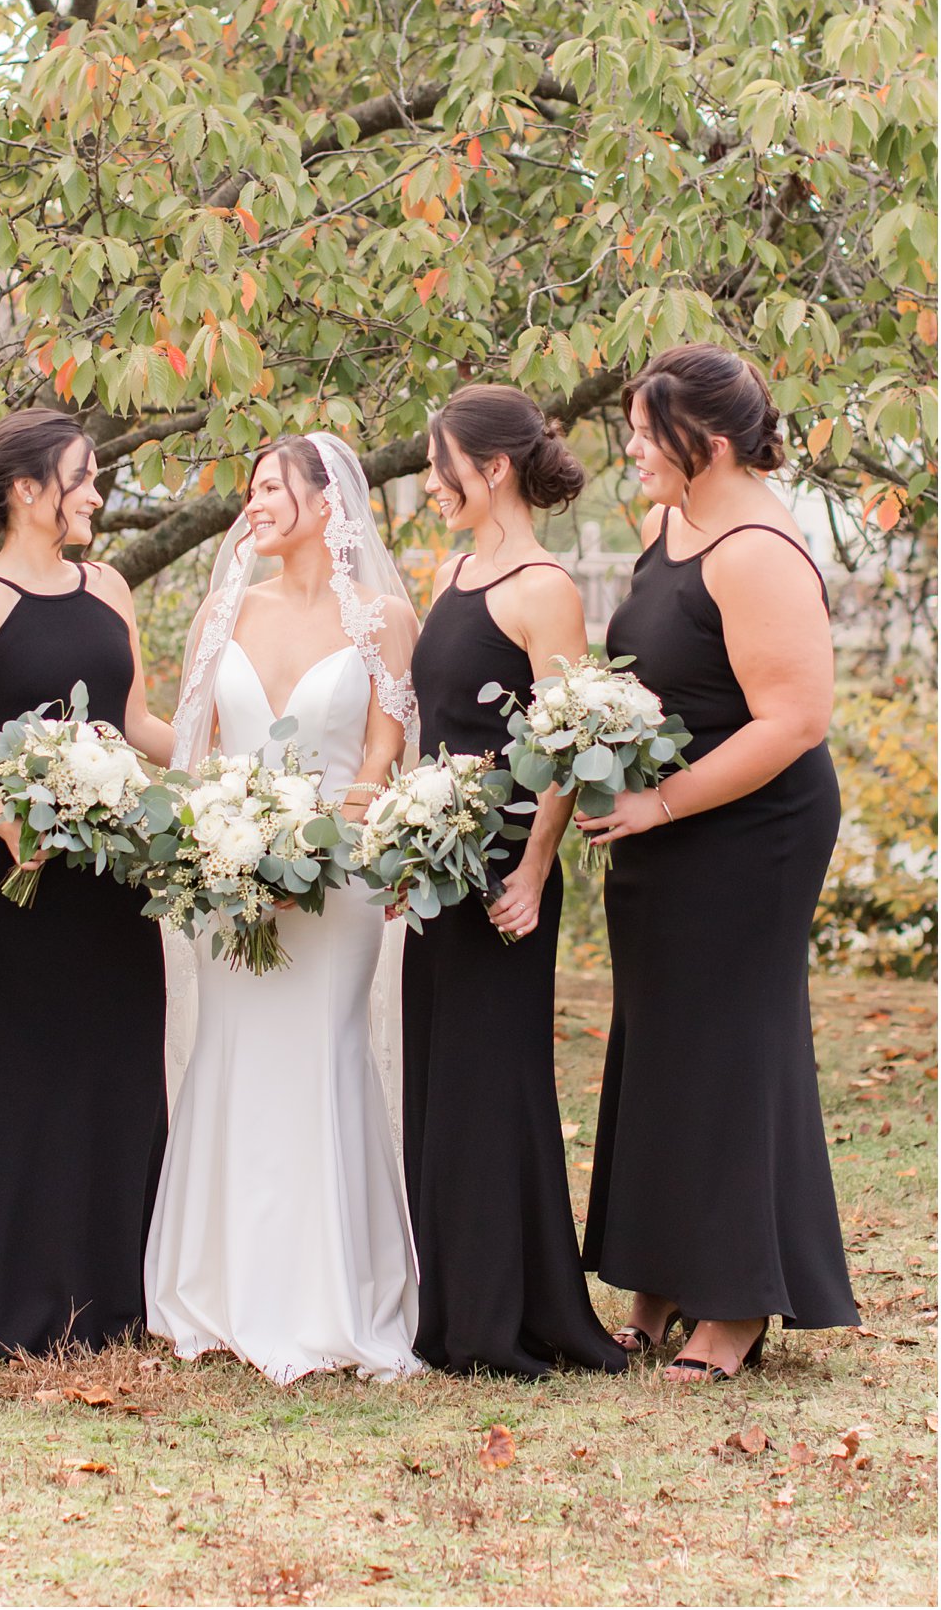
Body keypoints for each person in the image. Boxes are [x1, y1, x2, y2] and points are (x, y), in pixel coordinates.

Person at [578, 345, 858, 1381]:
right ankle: (654, 1279)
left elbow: (792, 720)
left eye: (651, 429)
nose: (634, 446)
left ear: (716, 439)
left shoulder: (756, 552)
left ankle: (733, 1303)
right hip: (662, 824)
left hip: (749, 829)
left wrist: (657, 801)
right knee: (659, 1041)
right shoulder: (665, 527)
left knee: (729, 1042)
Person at [145, 434, 423, 1383]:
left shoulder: (385, 618)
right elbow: (198, 750)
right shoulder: (224, 611)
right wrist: (220, 837)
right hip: (230, 875)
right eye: (251, 485)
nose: (254, 502)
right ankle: (220, 1292)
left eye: (273, 487)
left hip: (337, 882)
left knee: (323, 1052)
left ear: (327, 502)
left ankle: (330, 1297)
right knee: (231, 1052)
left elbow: (384, 759)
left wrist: (353, 816)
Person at [0, 410, 173, 1358]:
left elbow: (138, 720)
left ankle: (121, 1293)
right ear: (28, 490)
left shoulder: (107, 584)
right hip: (17, 873)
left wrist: (217, 761)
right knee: (30, 1074)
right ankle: (24, 1295)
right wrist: (2, 815)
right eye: (83, 477)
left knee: (117, 1068)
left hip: (116, 875)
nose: (97, 494)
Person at [403, 386, 625, 1380]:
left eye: (439, 464)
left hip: (500, 871)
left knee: (492, 1093)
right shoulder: (451, 569)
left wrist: (534, 871)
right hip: (430, 863)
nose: (427, 481)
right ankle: (450, 1310)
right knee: (440, 1089)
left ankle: (500, 1322)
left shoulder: (544, 587)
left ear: (490, 470)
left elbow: (566, 744)